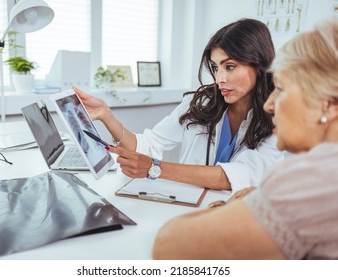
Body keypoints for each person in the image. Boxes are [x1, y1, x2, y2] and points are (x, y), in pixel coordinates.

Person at [152, 19, 338, 260]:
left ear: (333, 103)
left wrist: (233, 209)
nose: (270, 103)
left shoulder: (318, 178)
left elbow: (170, 245)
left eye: (283, 89)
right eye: (215, 68)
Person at [75, 18, 284, 192]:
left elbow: (236, 176)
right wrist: (106, 115)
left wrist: (155, 168)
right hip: (184, 205)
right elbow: (149, 145)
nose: (219, 78)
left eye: (230, 67)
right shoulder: (202, 102)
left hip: (237, 218)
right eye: (215, 67)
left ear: (258, 66)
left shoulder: (279, 118)